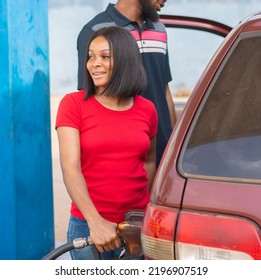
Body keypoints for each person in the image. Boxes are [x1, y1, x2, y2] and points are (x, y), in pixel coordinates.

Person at [56, 26, 158, 260]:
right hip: (88, 226)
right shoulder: (73, 104)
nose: (94, 63)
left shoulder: (147, 109)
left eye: (104, 56)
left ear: (125, 60)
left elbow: (149, 161)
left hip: (134, 227)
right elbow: (70, 168)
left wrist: (140, 215)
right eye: (90, 56)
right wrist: (96, 222)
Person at [77, 0, 176, 167]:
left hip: (162, 150)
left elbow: (164, 88)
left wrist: (174, 143)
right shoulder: (95, 31)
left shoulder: (159, 29)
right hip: (126, 150)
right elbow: (89, 97)